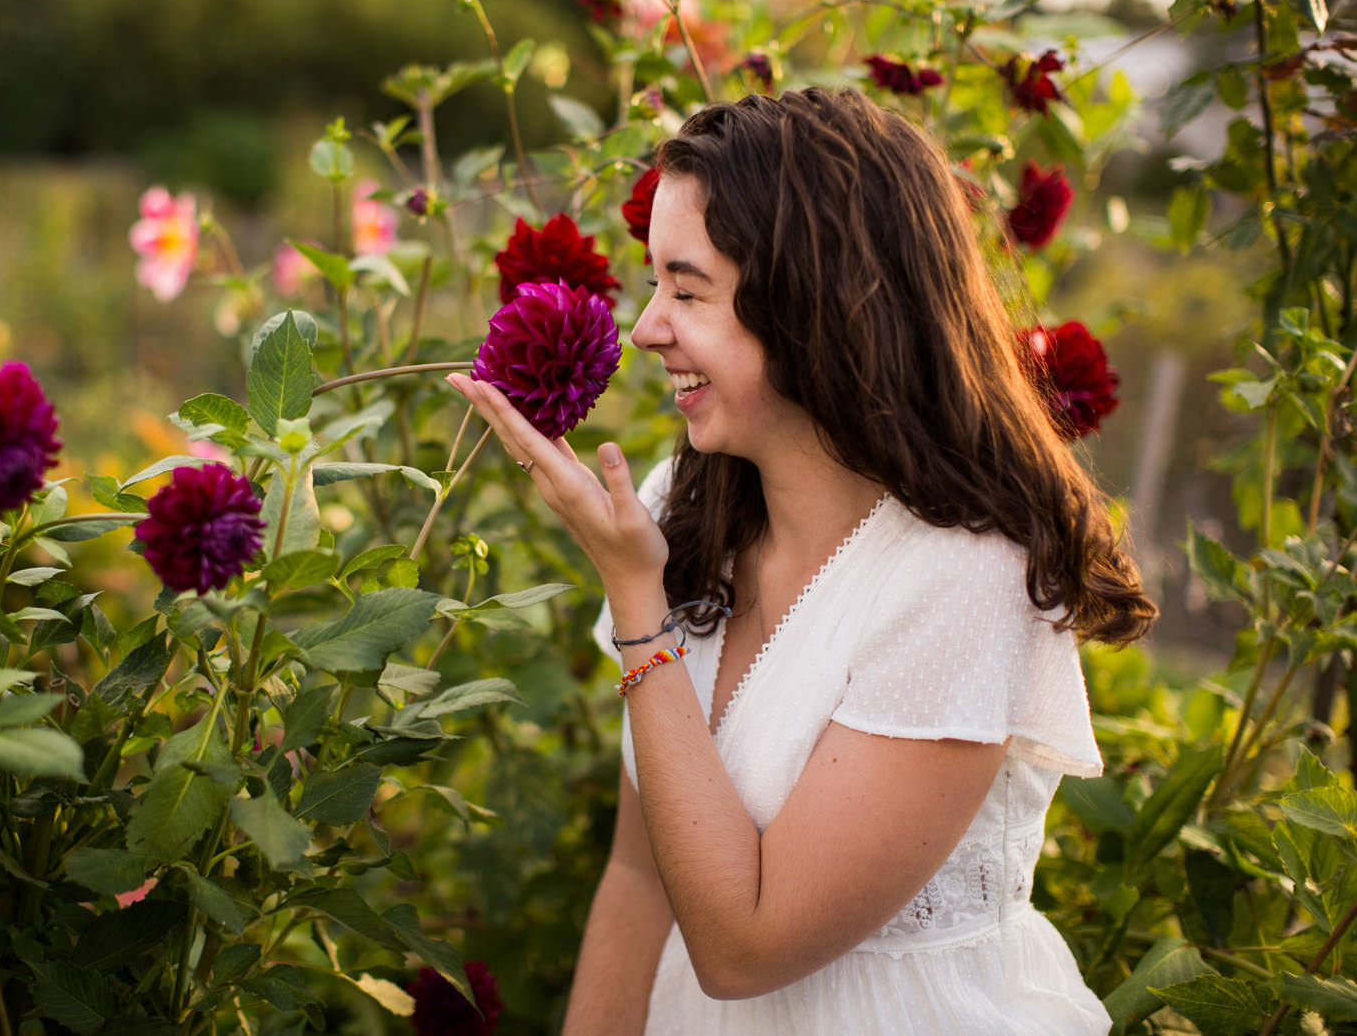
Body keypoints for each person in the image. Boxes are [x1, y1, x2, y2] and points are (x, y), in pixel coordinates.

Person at [446, 87, 1156, 1036]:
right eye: (654, 283)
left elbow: (746, 948)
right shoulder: (680, 512)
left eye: (688, 290)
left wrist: (636, 604)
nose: (647, 328)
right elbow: (638, 874)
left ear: (816, 305)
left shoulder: (967, 577)